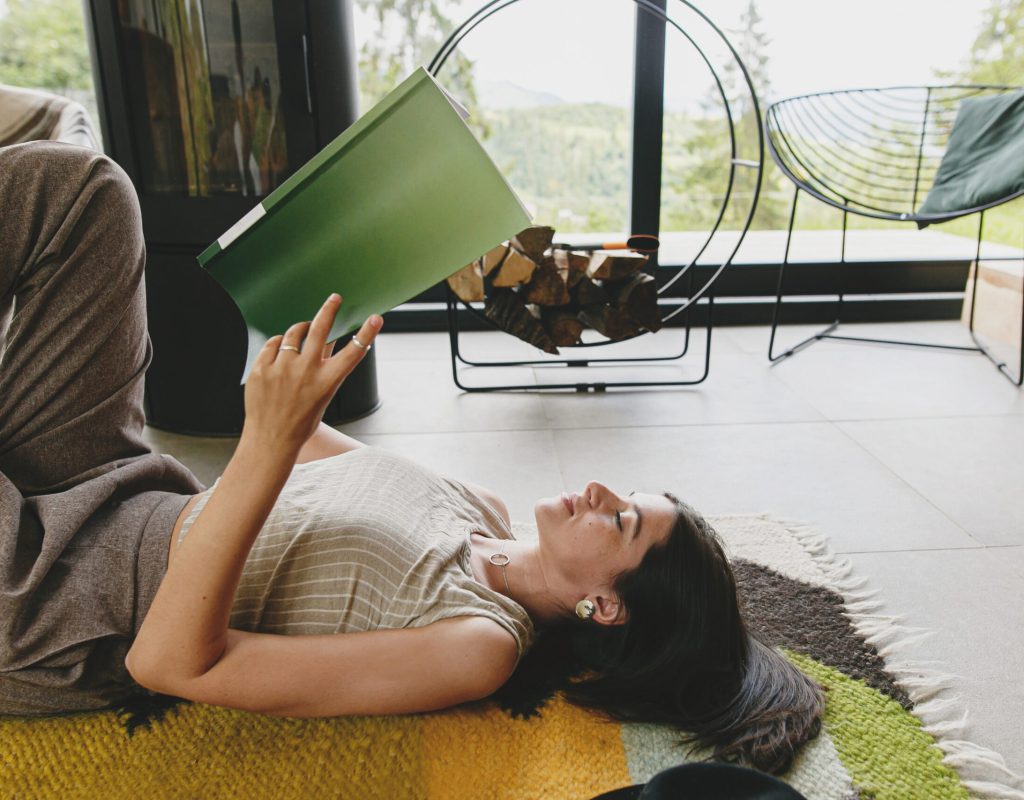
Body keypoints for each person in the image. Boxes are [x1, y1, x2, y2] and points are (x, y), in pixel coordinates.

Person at [0, 142, 822, 774]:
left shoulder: (478, 647)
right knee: (81, 190)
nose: (602, 488)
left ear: (605, 606)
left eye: (622, 519)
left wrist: (267, 447)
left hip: (52, 605)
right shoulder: (482, 508)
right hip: (114, 483)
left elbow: (171, 662)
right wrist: (329, 275)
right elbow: (283, 409)